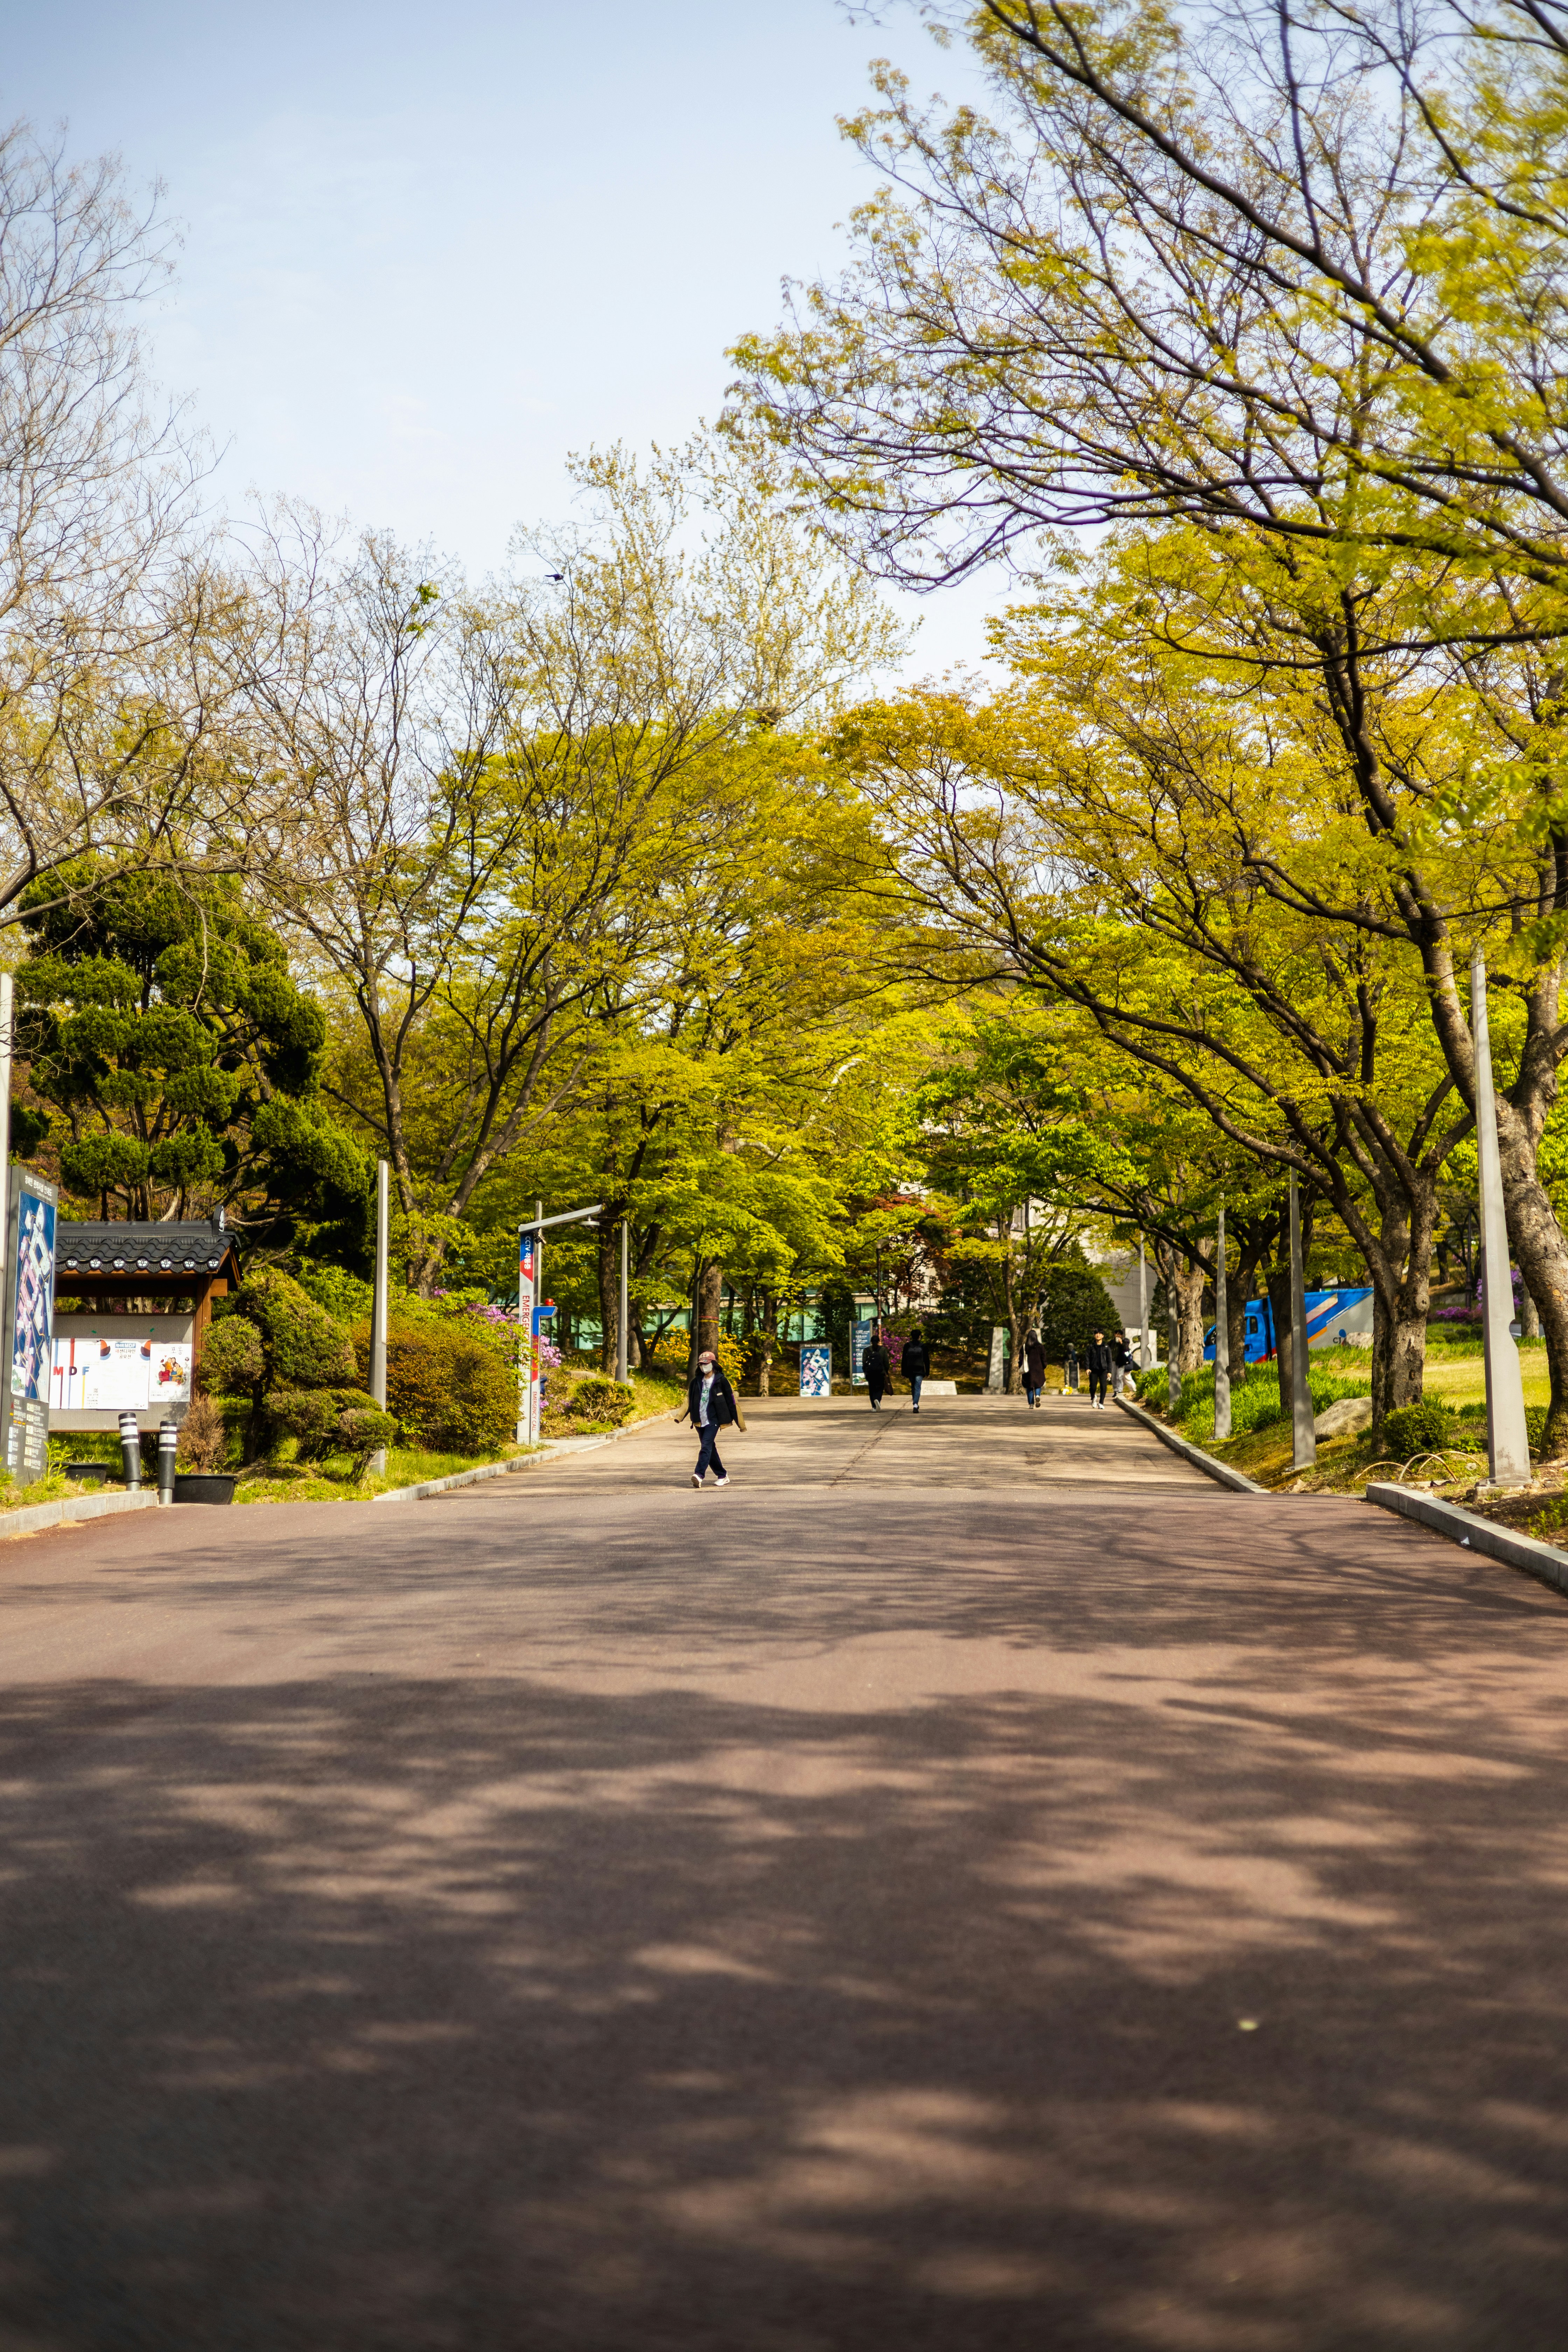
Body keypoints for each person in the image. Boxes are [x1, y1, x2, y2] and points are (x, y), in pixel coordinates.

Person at [679, 1346, 739, 1486]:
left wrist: (739, 1423)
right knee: (710, 1448)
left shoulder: (722, 1381)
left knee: (706, 1446)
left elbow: (732, 1401)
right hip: (699, 1421)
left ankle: (699, 1475)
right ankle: (723, 1475)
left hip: (714, 1420)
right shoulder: (696, 1382)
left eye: (706, 1364)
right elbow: (688, 1400)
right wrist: (680, 1416)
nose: (703, 1366)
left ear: (713, 1364)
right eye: (701, 1364)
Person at [902, 1327, 931, 1414]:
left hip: (910, 1370)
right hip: (920, 1370)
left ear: (911, 1337)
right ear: (919, 1337)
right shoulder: (923, 1346)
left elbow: (904, 1360)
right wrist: (928, 1372)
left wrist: (903, 1372)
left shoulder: (907, 1346)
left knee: (913, 1387)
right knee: (918, 1387)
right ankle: (915, 1405)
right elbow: (927, 1360)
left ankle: (915, 1404)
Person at [1085, 1328, 1114, 1410]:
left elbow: (1109, 1360)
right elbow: (1087, 1359)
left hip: (1103, 1370)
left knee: (1104, 1387)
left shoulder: (1106, 1347)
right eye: (1097, 1334)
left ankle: (1101, 1403)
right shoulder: (1091, 1347)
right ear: (1094, 1336)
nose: (1098, 1335)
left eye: (1100, 1334)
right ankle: (1093, 1398)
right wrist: (1087, 1368)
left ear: (1103, 1336)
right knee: (1093, 1387)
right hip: (1093, 1370)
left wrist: (1109, 1371)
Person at [863, 1330, 891, 1410]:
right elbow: (886, 1362)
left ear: (871, 1342)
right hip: (880, 1372)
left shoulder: (867, 1350)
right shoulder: (883, 1350)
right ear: (879, 1342)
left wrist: (865, 1371)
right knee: (880, 1388)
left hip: (870, 1373)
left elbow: (864, 1362)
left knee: (872, 1389)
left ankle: (874, 1407)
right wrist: (886, 1371)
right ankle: (877, 1400)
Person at [1022, 1328, 1047, 1408]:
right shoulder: (1040, 1347)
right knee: (1038, 1385)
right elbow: (1044, 1358)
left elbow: (1021, 1358)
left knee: (1029, 1387)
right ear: (1036, 1337)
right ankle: (1037, 1396)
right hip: (1039, 1369)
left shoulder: (1026, 1347)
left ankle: (1031, 1405)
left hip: (1028, 1370)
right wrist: (1044, 1366)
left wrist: (1020, 1367)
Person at [1113, 1331, 1132, 1399]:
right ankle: (1117, 1391)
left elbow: (1126, 1352)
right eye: (1117, 1334)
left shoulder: (1125, 1347)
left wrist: (1122, 1343)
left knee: (1122, 1378)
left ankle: (1119, 1391)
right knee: (1116, 1378)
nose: (1118, 1336)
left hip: (1123, 1365)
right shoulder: (1113, 1344)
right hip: (1116, 1363)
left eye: (1120, 1334)